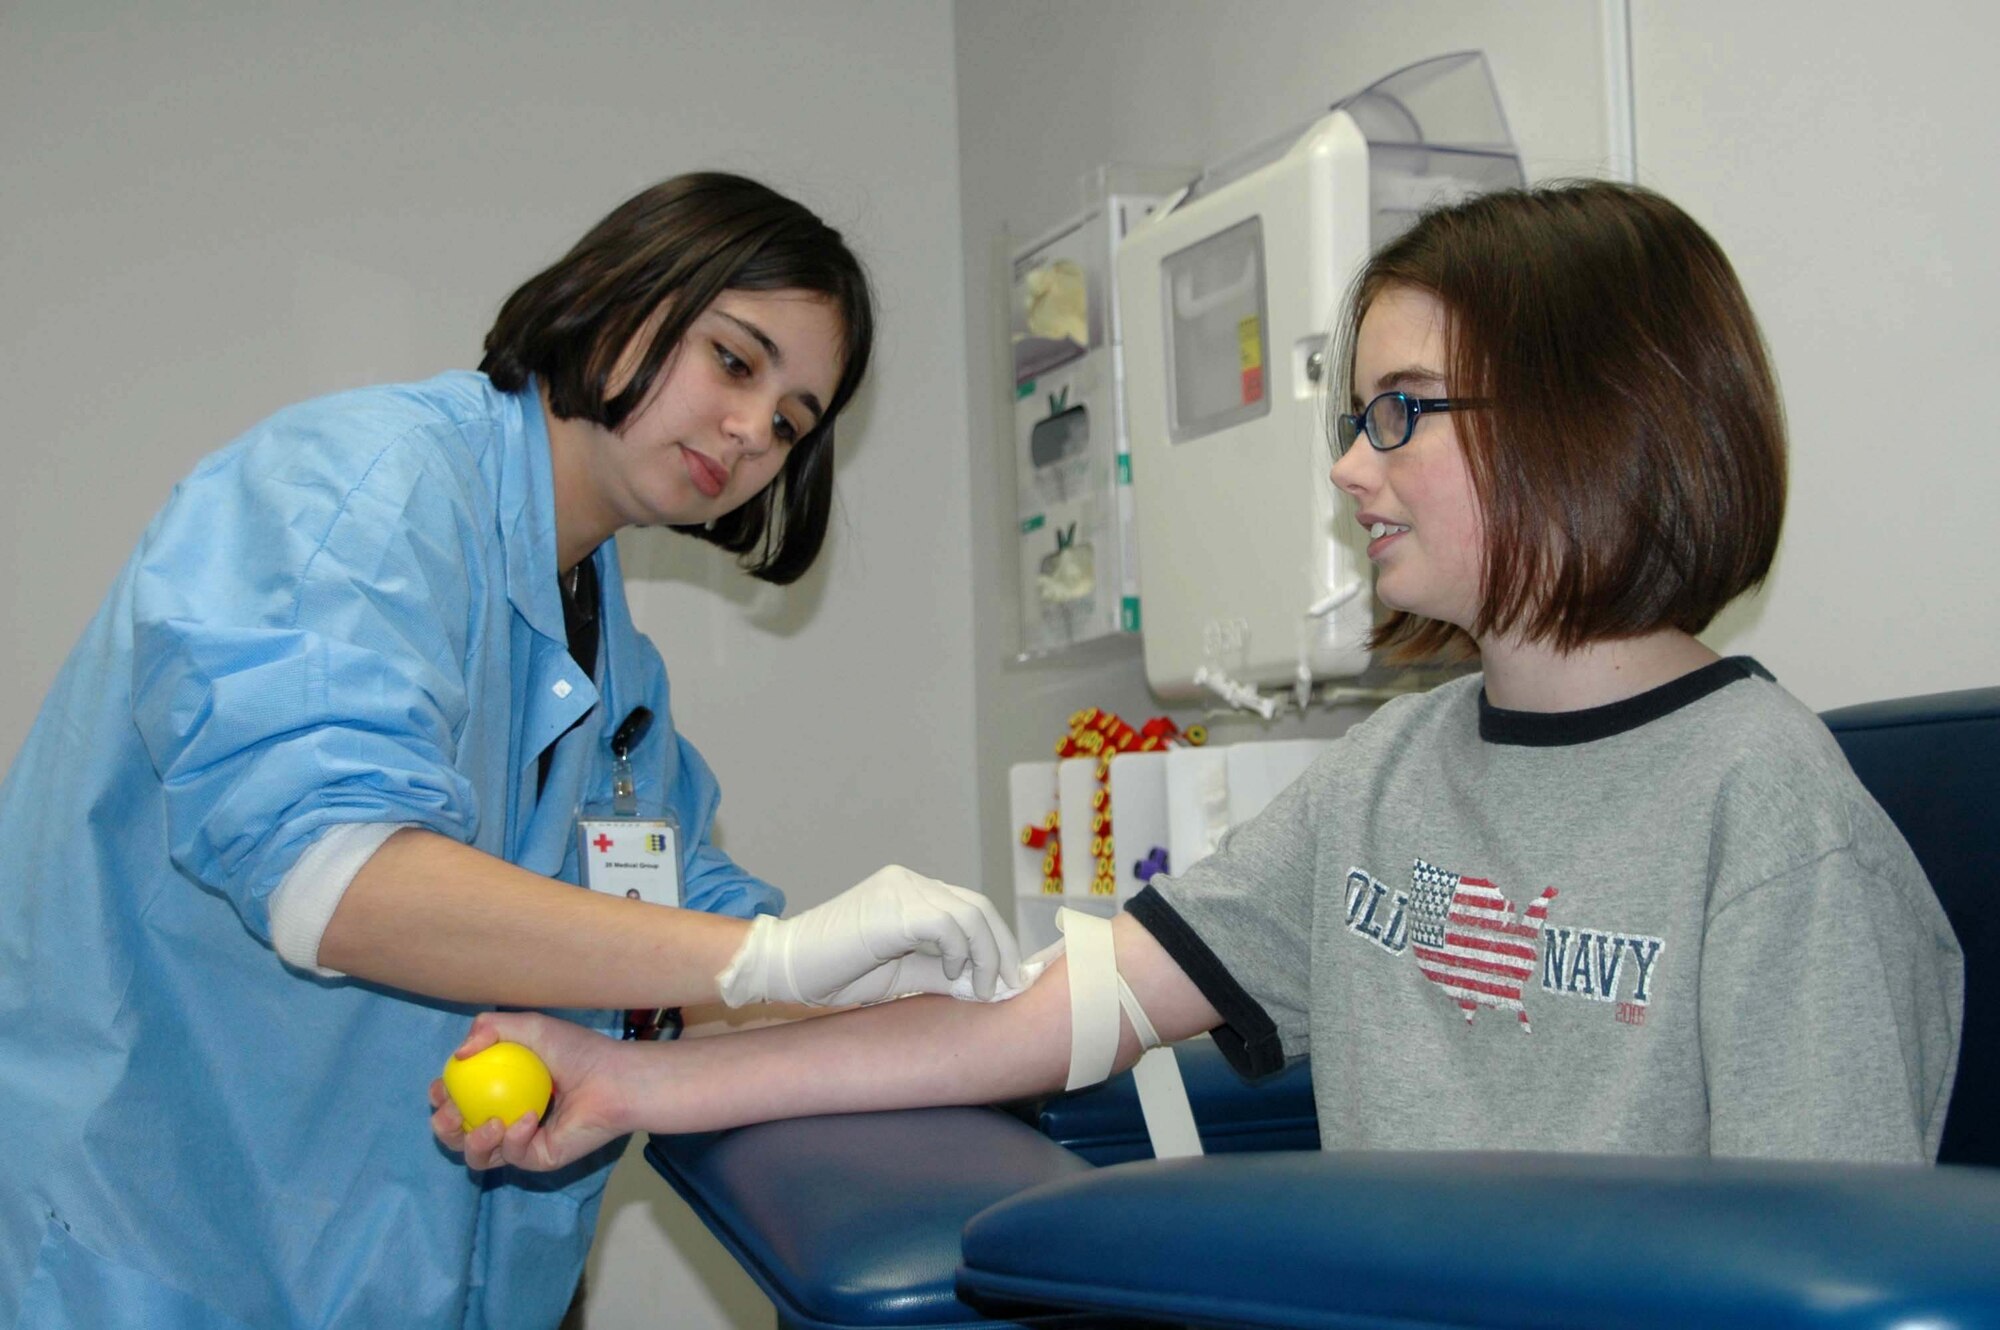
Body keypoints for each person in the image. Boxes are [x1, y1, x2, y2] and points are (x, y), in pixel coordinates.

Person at [431, 180, 1962, 1176]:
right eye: (1355, 418)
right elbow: (1042, 1017)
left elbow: (1827, 1275)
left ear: (1593, 416)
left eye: (1402, 412)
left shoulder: (1772, 825)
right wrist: (637, 1085)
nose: (1354, 468)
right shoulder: (1388, 776)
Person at [0, 172, 1024, 1329]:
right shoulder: (364, 494)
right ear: (621, 294)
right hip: (156, 1260)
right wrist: (770, 958)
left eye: (790, 422)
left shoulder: (609, 656)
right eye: (734, 361)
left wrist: (883, 987)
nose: (751, 434)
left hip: (413, 1278)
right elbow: (334, 878)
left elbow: (666, 933)